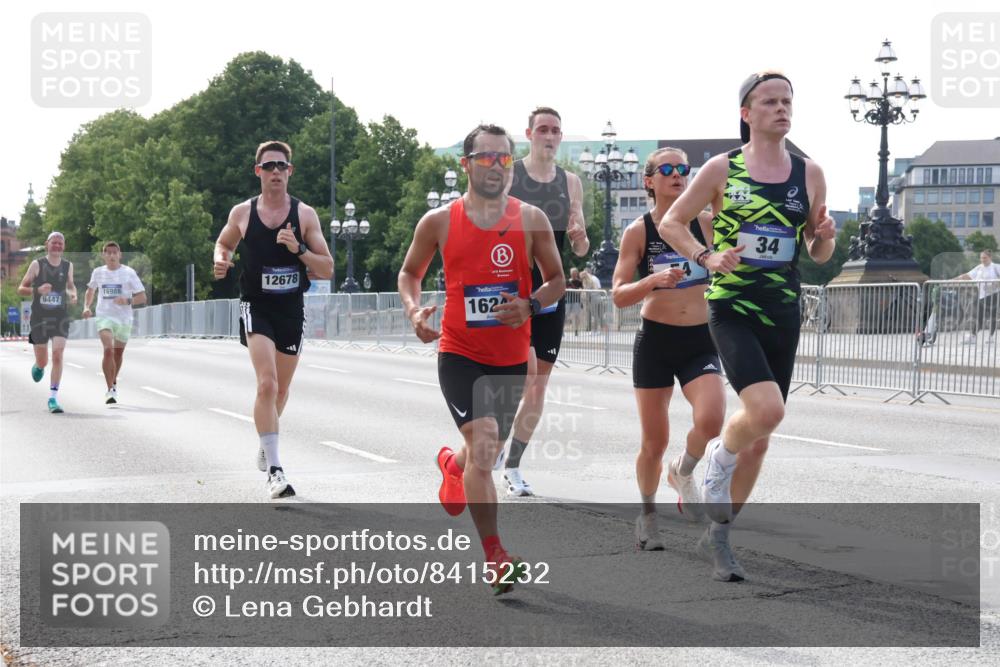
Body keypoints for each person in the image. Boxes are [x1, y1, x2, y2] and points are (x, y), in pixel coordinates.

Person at [659, 71, 837, 581]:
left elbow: (817, 251)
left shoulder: (810, 173)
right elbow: (673, 221)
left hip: (782, 308)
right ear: (746, 113)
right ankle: (714, 455)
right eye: (770, 101)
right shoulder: (722, 168)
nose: (782, 109)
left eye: (788, 101)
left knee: (761, 435)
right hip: (733, 305)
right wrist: (705, 255)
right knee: (767, 409)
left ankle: (719, 538)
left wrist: (824, 236)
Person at [398, 123, 565, 594]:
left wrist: (531, 304)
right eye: (486, 157)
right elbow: (410, 272)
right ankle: (495, 554)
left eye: (504, 158)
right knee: (488, 444)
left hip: (512, 357)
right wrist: (414, 311)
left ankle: (454, 465)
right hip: (460, 353)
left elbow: (555, 278)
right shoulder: (440, 221)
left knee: (480, 452)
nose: (496, 165)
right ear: (466, 164)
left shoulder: (531, 218)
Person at [612, 148, 725, 551]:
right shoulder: (639, 231)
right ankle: (647, 515)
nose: (678, 176)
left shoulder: (705, 223)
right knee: (653, 443)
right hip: (655, 340)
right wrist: (651, 283)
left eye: (684, 170)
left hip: (699, 339)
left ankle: (683, 471)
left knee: (712, 420)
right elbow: (619, 295)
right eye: (668, 170)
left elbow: (734, 258)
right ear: (649, 180)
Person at [213, 140, 333, 499]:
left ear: (290, 172)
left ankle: (267, 443)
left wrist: (298, 249)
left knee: (281, 389)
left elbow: (326, 268)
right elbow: (224, 244)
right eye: (269, 166)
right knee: (266, 384)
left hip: (290, 309)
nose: (276, 172)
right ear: (258, 172)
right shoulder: (243, 213)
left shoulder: (305, 215)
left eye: (282, 166)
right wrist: (221, 259)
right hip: (256, 304)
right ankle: (276, 471)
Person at [499, 106, 589, 496]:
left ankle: (512, 465)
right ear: (529, 134)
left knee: (537, 388)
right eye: (543, 129)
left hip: (550, 291)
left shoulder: (571, 182)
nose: (549, 136)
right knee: (517, 380)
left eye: (555, 130)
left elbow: (581, 250)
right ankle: (484, 447)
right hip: (510, 287)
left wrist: (579, 235)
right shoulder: (509, 174)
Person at [17, 231, 77, 413]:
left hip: (60, 317)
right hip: (39, 318)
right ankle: (39, 365)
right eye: (54, 242)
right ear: (47, 244)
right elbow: (21, 289)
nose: (57, 245)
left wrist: (73, 293)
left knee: (58, 355)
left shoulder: (68, 266)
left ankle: (53, 398)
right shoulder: (37, 265)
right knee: (43, 361)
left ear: (64, 246)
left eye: (60, 243)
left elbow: (70, 285)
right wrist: (37, 290)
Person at [82, 241, 147, 405]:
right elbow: (91, 290)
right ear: (103, 255)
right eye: (108, 252)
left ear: (120, 255)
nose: (111, 255)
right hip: (104, 316)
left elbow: (142, 297)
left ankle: (114, 382)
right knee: (108, 350)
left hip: (124, 318)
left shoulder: (129, 273)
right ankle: (110, 389)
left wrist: (127, 300)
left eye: (114, 252)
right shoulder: (98, 272)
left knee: (118, 354)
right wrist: (86, 307)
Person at [957, 249, 1000, 343]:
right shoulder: (979, 267)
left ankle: (991, 337)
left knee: (992, 316)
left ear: (990, 257)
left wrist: (996, 284)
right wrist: (957, 278)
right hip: (981, 295)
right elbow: (969, 275)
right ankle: (973, 336)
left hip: (993, 295)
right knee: (977, 316)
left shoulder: (996, 267)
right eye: (981, 258)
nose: (983, 260)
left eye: (985, 258)